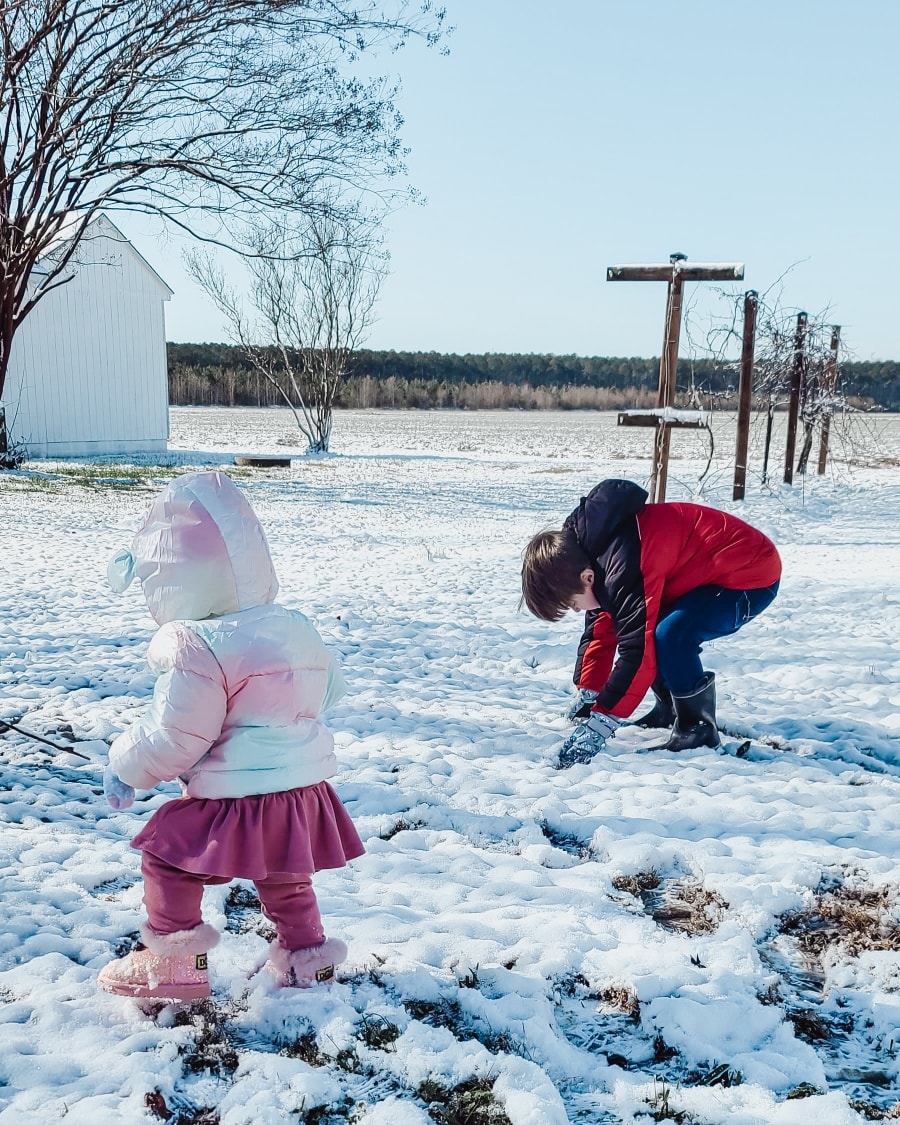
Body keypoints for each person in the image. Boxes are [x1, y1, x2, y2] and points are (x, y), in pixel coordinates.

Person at [98, 470, 363, 1001]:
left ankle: (176, 963)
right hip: (299, 792)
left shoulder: (194, 644)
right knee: (285, 875)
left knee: (167, 858)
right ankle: (308, 961)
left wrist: (124, 763)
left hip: (232, 798)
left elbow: (177, 736)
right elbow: (330, 691)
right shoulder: (294, 625)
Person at [521, 478, 781, 768]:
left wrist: (600, 726)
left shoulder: (623, 565)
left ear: (586, 579)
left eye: (571, 604)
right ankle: (671, 708)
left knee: (671, 635)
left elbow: (637, 654)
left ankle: (698, 730)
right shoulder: (593, 557)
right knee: (649, 624)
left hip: (750, 575)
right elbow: (602, 629)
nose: (575, 610)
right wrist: (589, 695)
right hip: (705, 574)